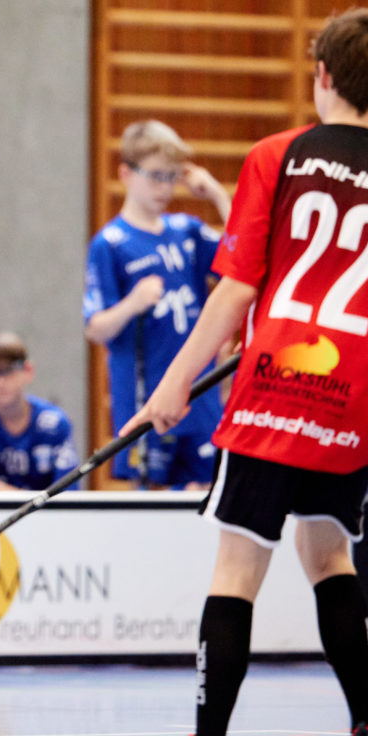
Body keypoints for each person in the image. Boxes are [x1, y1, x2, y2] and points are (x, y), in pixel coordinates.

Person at [123, 9, 368, 736]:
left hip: (276, 387)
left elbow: (235, 288)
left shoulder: (278, 155)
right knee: (331, 557)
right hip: (357, 392)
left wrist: (172, 385)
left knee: (238, 570)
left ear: (322, 76)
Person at [84, 120, 232, 490]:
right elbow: (95, 326)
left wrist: (217, 195)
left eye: (171, 177)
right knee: (152, 498)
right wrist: (132, 303)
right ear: (126, 174)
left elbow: (242, 256)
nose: (164, 187)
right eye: (155, 176)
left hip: (199, 395)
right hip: (146, 394)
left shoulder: (188, 230)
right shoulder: (111, 243)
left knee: (206, 492)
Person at [0, 331, 78, 491]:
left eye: (7, 372)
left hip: (46, 515)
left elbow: (68, 490)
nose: (0, 382)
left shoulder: (55, 422)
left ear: (28, 370)